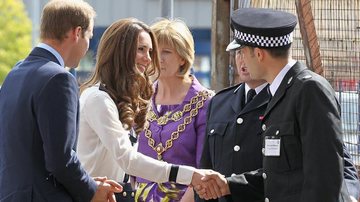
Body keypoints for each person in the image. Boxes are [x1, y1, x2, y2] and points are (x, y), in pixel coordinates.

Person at [207, 7, 356, 202]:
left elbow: (324, 178)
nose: (241, 59)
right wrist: (229, 184)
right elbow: (281, 175)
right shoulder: (281, 92)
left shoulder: (309, 90)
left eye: (243, 51)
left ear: (259, 54)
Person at [77, 18, 216, 202]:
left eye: (153, 51)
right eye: (141, 49)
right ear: (121, 51)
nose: (151, 58)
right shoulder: (99, 98)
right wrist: (188, 175)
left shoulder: (124, 97)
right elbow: (128, 159)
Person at [0, 0, 122, 201]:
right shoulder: (59, 78)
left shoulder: (15, 74)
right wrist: (92, 191)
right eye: (89, 37)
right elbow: (60, 159)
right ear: (77, 33)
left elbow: (33, 156)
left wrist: (88, 181)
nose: (87, 45)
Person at [135, 18, 214, 202]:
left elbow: (204, 166)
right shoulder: (140, 96)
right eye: (154, 52)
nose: (158, 59)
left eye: (167, 52)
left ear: (182, 57)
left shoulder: (205, 102)